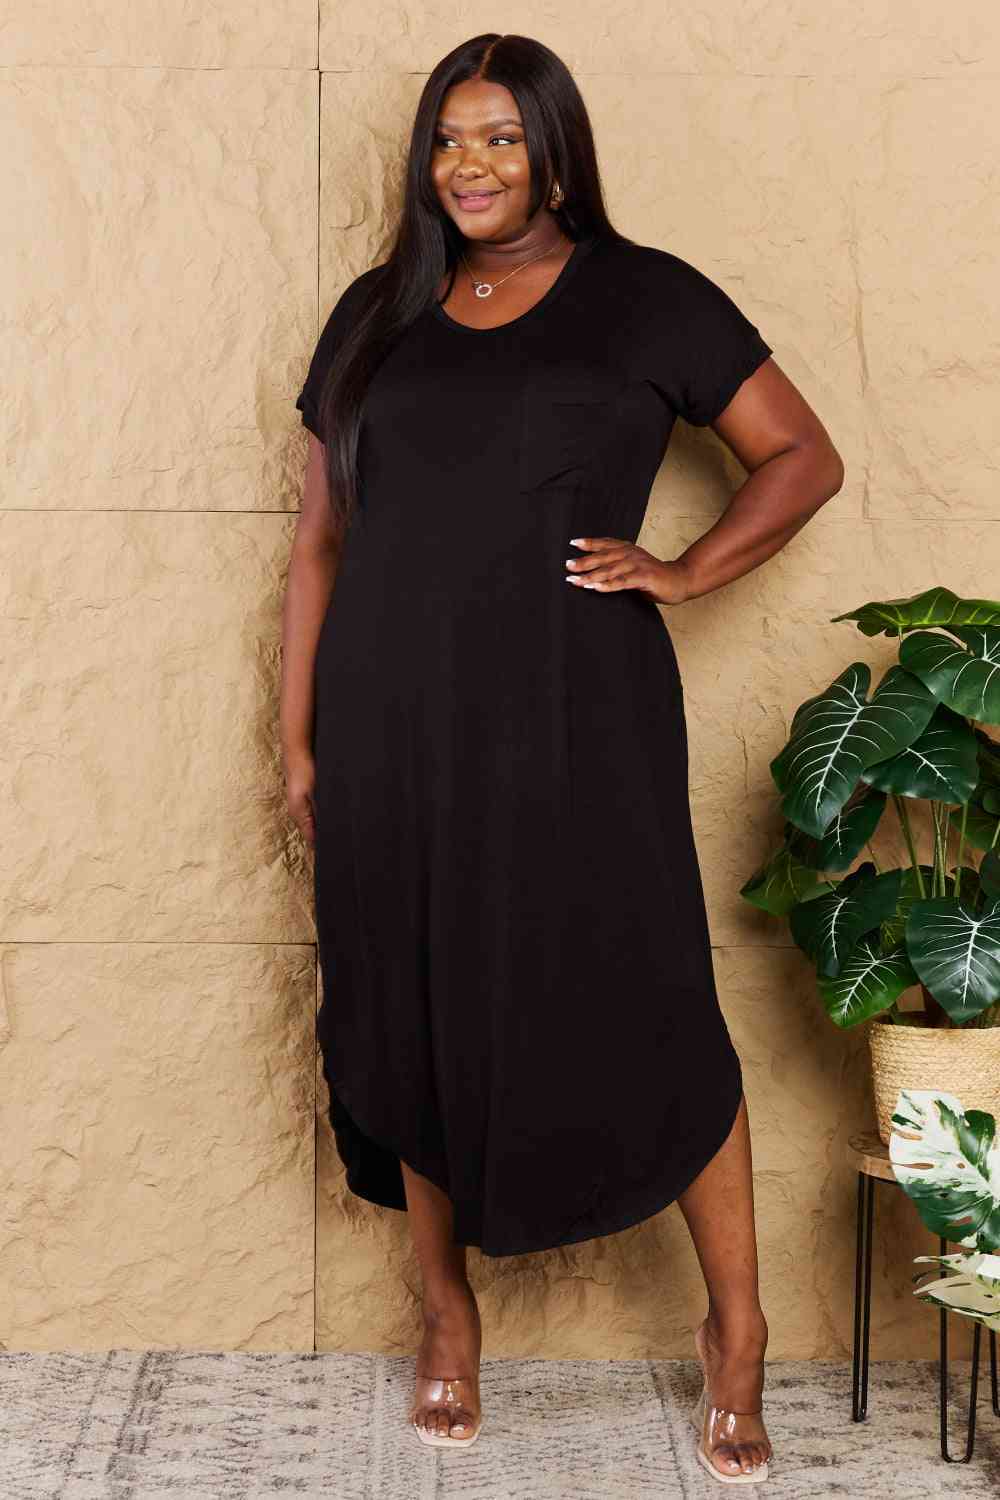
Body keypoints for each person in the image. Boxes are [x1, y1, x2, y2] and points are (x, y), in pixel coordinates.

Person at [281, 31, 843, 1484]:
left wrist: (686, 569)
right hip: (392, 720)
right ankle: (446, 1313)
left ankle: (737, 1329)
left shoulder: (647, 296)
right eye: (447, 139)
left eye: (500, 139)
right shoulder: (375, 314)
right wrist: (298, 737)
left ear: (554, 151)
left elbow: (802, 456)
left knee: (648, 992)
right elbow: (320, 541)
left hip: (578, 711)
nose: (468, 167)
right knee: (408, 996)